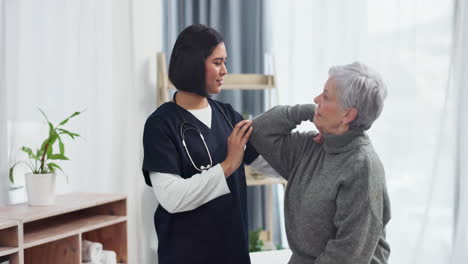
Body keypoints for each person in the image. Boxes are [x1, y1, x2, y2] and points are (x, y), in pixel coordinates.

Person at [250, 62, 391, 264]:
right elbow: (259, 132)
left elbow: (347, 254)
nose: (316, 99)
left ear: (348, 115)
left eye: (325, 96)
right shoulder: (312, 146)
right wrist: (306, 112)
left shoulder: (363, 166)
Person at [142, 24, 260, 264]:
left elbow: (268, 160)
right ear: (194, 64)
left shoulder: (228, 116)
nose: (225, 70)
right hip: (186, 255)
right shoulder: (161, 124)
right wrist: (228, 165)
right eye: (217, 62)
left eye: (225, 62)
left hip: (232, 254)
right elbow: (172, 198)